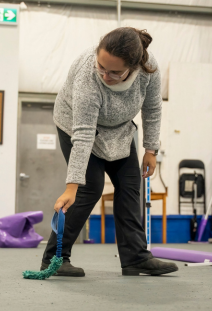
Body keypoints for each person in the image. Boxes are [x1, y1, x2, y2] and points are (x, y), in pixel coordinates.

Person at [40, 27, 178, 276]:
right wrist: (72, 186)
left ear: (134, 66)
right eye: (101, 66)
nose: (104, 75)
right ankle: (55, 259)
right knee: (89, 188)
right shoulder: (87, 74)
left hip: (120, 128)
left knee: (129, 185)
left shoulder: (148, 69)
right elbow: (82, 134)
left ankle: (135, 258)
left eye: (115, 72)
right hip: (76, 126)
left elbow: (153, 108)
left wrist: (151, 149)